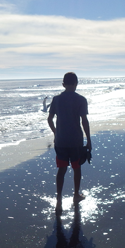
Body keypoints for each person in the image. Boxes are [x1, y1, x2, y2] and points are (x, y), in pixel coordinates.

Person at [47, 72, 91, 205]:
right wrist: (89, 139)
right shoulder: (81, 100)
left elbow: (49, 119)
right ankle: (76, 195)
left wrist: (56, 133)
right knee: (76, 167)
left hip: (61, 141)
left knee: (61, 169)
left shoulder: (56, 99)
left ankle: (59, 199)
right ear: (76, 84)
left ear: (63, 84)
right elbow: (84, 121)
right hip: (75, 141)